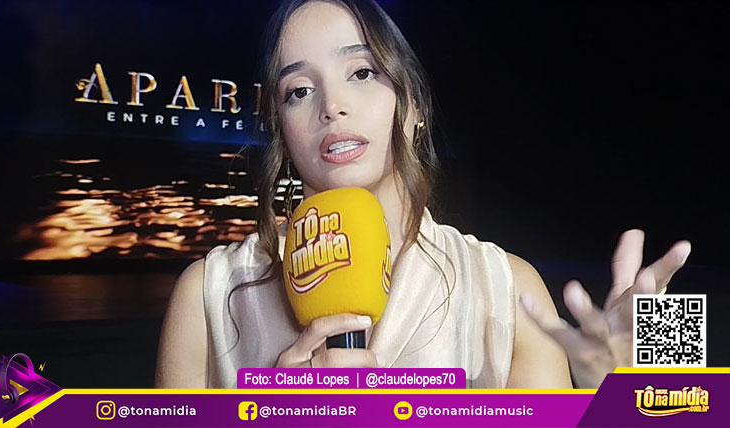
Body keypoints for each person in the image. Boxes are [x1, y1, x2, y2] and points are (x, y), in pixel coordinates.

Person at [155, 0, 691, 389]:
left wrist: (649, 375)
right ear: (282, 130)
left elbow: (680, 408)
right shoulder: (208, 293)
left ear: (413, 108)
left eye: (361, 71)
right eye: (299, 90)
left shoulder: (506, 286)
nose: (331, 104)